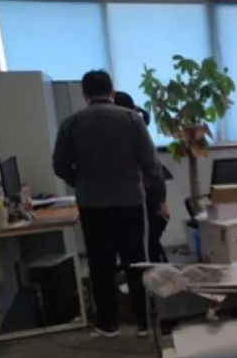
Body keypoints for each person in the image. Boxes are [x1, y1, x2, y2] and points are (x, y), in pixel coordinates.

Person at [53, 70, 163, 338]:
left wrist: (80, 182)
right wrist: (147, 184)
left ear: (85, 94)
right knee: (135, 261)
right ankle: (143, 321)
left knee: (100, 263)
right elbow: (151, 163)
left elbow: (60, 166)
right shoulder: (132, 119)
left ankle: (108, 323)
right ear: (112, 91)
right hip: (129, 202)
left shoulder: (70, 123)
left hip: (92, 204)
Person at [114, 91, 171, 263]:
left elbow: (153, 170)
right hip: (142, 193)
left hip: (144, 194)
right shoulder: (134, 126)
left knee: (146, 243)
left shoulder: (129, 129)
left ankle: (148, 272)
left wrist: (161, 202)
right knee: (146, 242)